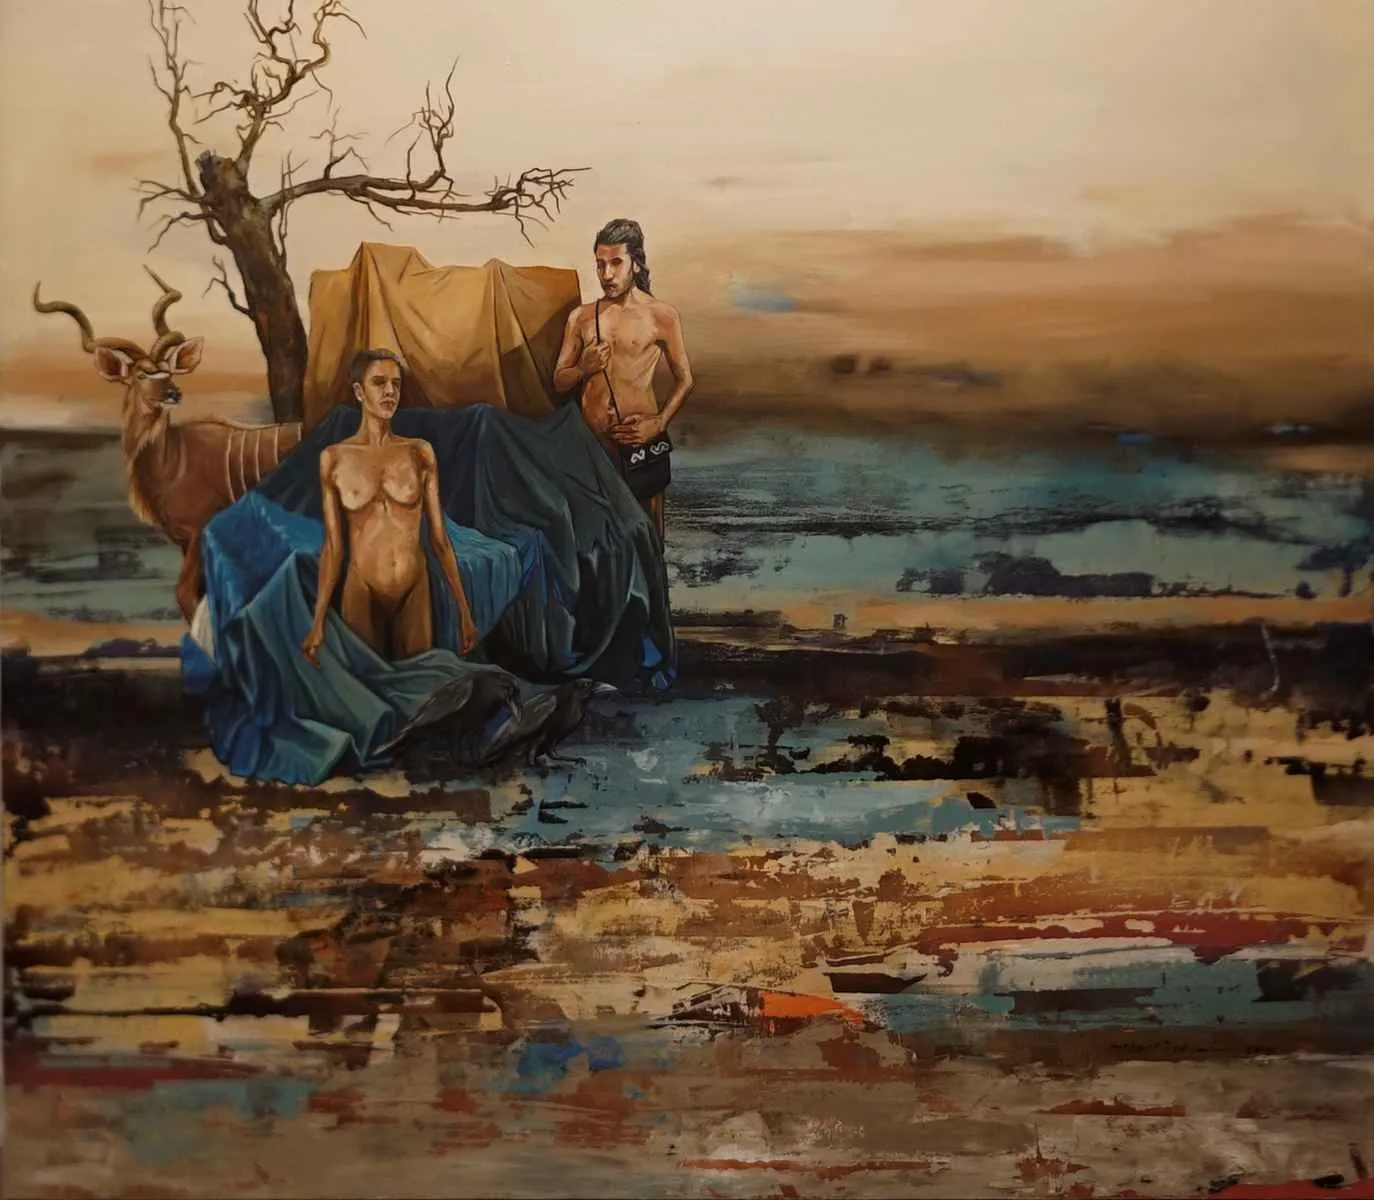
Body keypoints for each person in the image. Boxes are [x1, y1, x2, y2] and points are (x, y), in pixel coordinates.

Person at [301, 348, 479, 666]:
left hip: (414, 586)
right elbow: (333, 546)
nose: (389, 392)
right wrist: (317, 622)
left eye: (396, 384)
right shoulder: (334, 458)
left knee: (420, 683)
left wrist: (464, 611)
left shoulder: (420, 453)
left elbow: (439, 538)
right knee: (367, 682)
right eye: (379, 383)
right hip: (362, 587)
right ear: (359, 392)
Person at [553, 218, 693, 541]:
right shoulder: (581, 317)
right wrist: (583, 368)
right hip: (592, 448)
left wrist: (659, 423)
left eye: (616, 263)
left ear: (636, 263)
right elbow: (559, 380)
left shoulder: (662, 315)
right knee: (596, 542)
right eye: (600, 264)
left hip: (639, 445)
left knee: (648, 539)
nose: (606, 274)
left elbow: (685, 380)